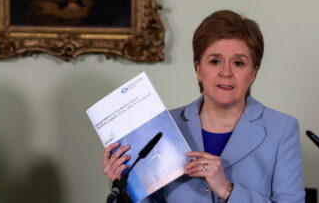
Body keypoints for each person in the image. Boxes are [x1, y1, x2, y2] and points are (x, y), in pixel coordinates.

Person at [102, 10, 305, 202]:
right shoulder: (164, 125)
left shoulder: (282, 129)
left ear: (254, 73)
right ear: (198, 69)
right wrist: (124, 185)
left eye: (239, 63)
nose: (226, 72)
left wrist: (227, 189)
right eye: (215, 61)